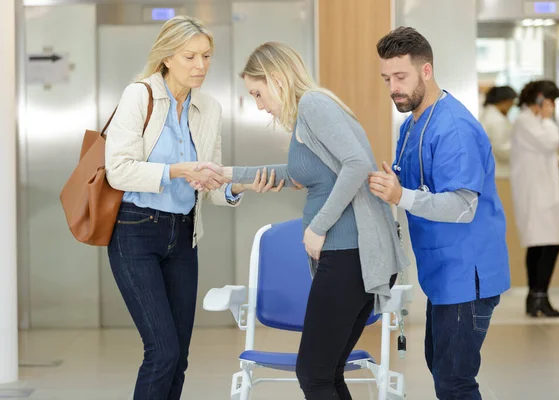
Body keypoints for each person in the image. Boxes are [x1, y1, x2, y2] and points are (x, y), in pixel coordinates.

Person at [193, 41, 409, 400]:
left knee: (314, 373)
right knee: (326, 373)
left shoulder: (313, 105)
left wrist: (317, 226)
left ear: (277, 79)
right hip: (349, 254)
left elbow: (356, 164)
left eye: (258, 93)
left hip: (349, 252)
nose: (259, 105)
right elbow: (298, 173)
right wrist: (226, 172)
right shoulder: (309, 114)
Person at [104, 16, 249, 400]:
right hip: (135, 231)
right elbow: (118, 171)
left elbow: (210, 182)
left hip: (184, 235)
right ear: (167, 57)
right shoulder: (140, 95)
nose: (200, 65)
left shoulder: (210, 108)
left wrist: (235, 186)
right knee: (162, 351)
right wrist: (175, 171)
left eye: (206, 56)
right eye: (190, 56)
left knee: (179, 356)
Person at [368, 27, 510, 399]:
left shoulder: (454, 128)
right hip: (443, 272)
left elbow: (463, 206)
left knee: (454, 380)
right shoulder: (411, 125)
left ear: (426, 71)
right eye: (387, 79)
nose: (392, 88)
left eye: (401, 77)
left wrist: (401, 196)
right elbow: (412, 189)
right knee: (442, 369)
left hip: (467, 273)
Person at [510, 80, 559, 318]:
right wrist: (547, 118)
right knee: (544, 244)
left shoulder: (533, 121)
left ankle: (537, 296)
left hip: (543, 192)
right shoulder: (527, 120)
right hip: (535, 195)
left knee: (546, 243)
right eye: (550, 101)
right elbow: (549, 142)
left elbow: (544, 151)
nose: (552, 106)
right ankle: (538, 296)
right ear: (539, 99)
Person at [480, 86, 518, 177]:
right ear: (504, 101)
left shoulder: (488, 115)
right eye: (511, 102)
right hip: (499, 171)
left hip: (494, 170)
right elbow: (501, 148)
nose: (511, 106)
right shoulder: (496, 120)